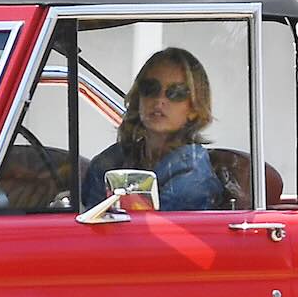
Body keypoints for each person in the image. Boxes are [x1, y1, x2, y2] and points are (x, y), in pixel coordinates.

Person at [81, 47, 226, 212]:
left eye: (176, 92)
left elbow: (153, 232)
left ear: (194, 109)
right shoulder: (115, 159)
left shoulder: (193, 172)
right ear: (138, 97)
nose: (159, 100)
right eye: (150, 88)